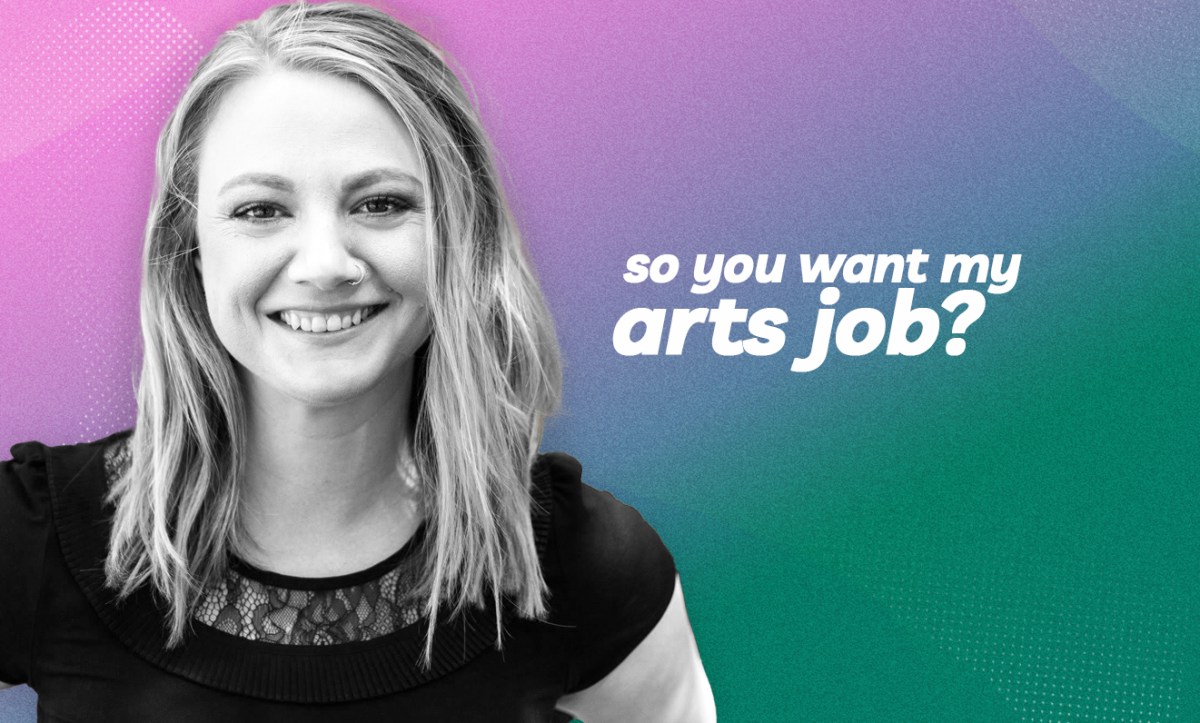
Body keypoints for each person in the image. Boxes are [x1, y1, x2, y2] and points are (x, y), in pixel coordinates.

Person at [0, 3, 715, 720]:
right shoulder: (28, 539)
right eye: (260, 210)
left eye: (380, 203)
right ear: (187, 250)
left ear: (463, 234)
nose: (324, 264)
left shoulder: (583, 563)